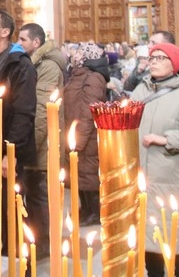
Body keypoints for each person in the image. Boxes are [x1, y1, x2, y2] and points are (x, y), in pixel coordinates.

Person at [130, 42, 179, 277]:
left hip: (173, 179)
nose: (153, 62)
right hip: (143, 178)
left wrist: (166, 139)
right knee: (148, 239)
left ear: (174, 64)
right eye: (152, 58)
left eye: (160, 58)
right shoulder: (140, 91)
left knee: (177, 239)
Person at [0, 10, 37, 254]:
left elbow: (24, 113)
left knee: (10, 212)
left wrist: (10, 153)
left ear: (5, 32)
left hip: (6, 151)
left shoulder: (19, 64)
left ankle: (16, 261)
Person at [16, 23, 66, 255]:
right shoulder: (33, 63)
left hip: (42, 145)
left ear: (36, 42)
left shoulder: (48, 67)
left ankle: (45, 243)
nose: (19, 43)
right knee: (34, 196)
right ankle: (37, 238)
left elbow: (42, 111)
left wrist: (28, 146)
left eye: (23, 39)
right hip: (35, 144)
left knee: (39, 197)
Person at [63, 42, 109, 226]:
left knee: (88, 174)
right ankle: (86, 209)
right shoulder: (79, 74)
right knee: (80, 174)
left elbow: (89, 110)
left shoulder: (94, 77)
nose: (74, 54)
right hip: (76, 131)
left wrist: (79, 139)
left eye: (79, 52)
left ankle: (94, 212)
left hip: (86, 135)